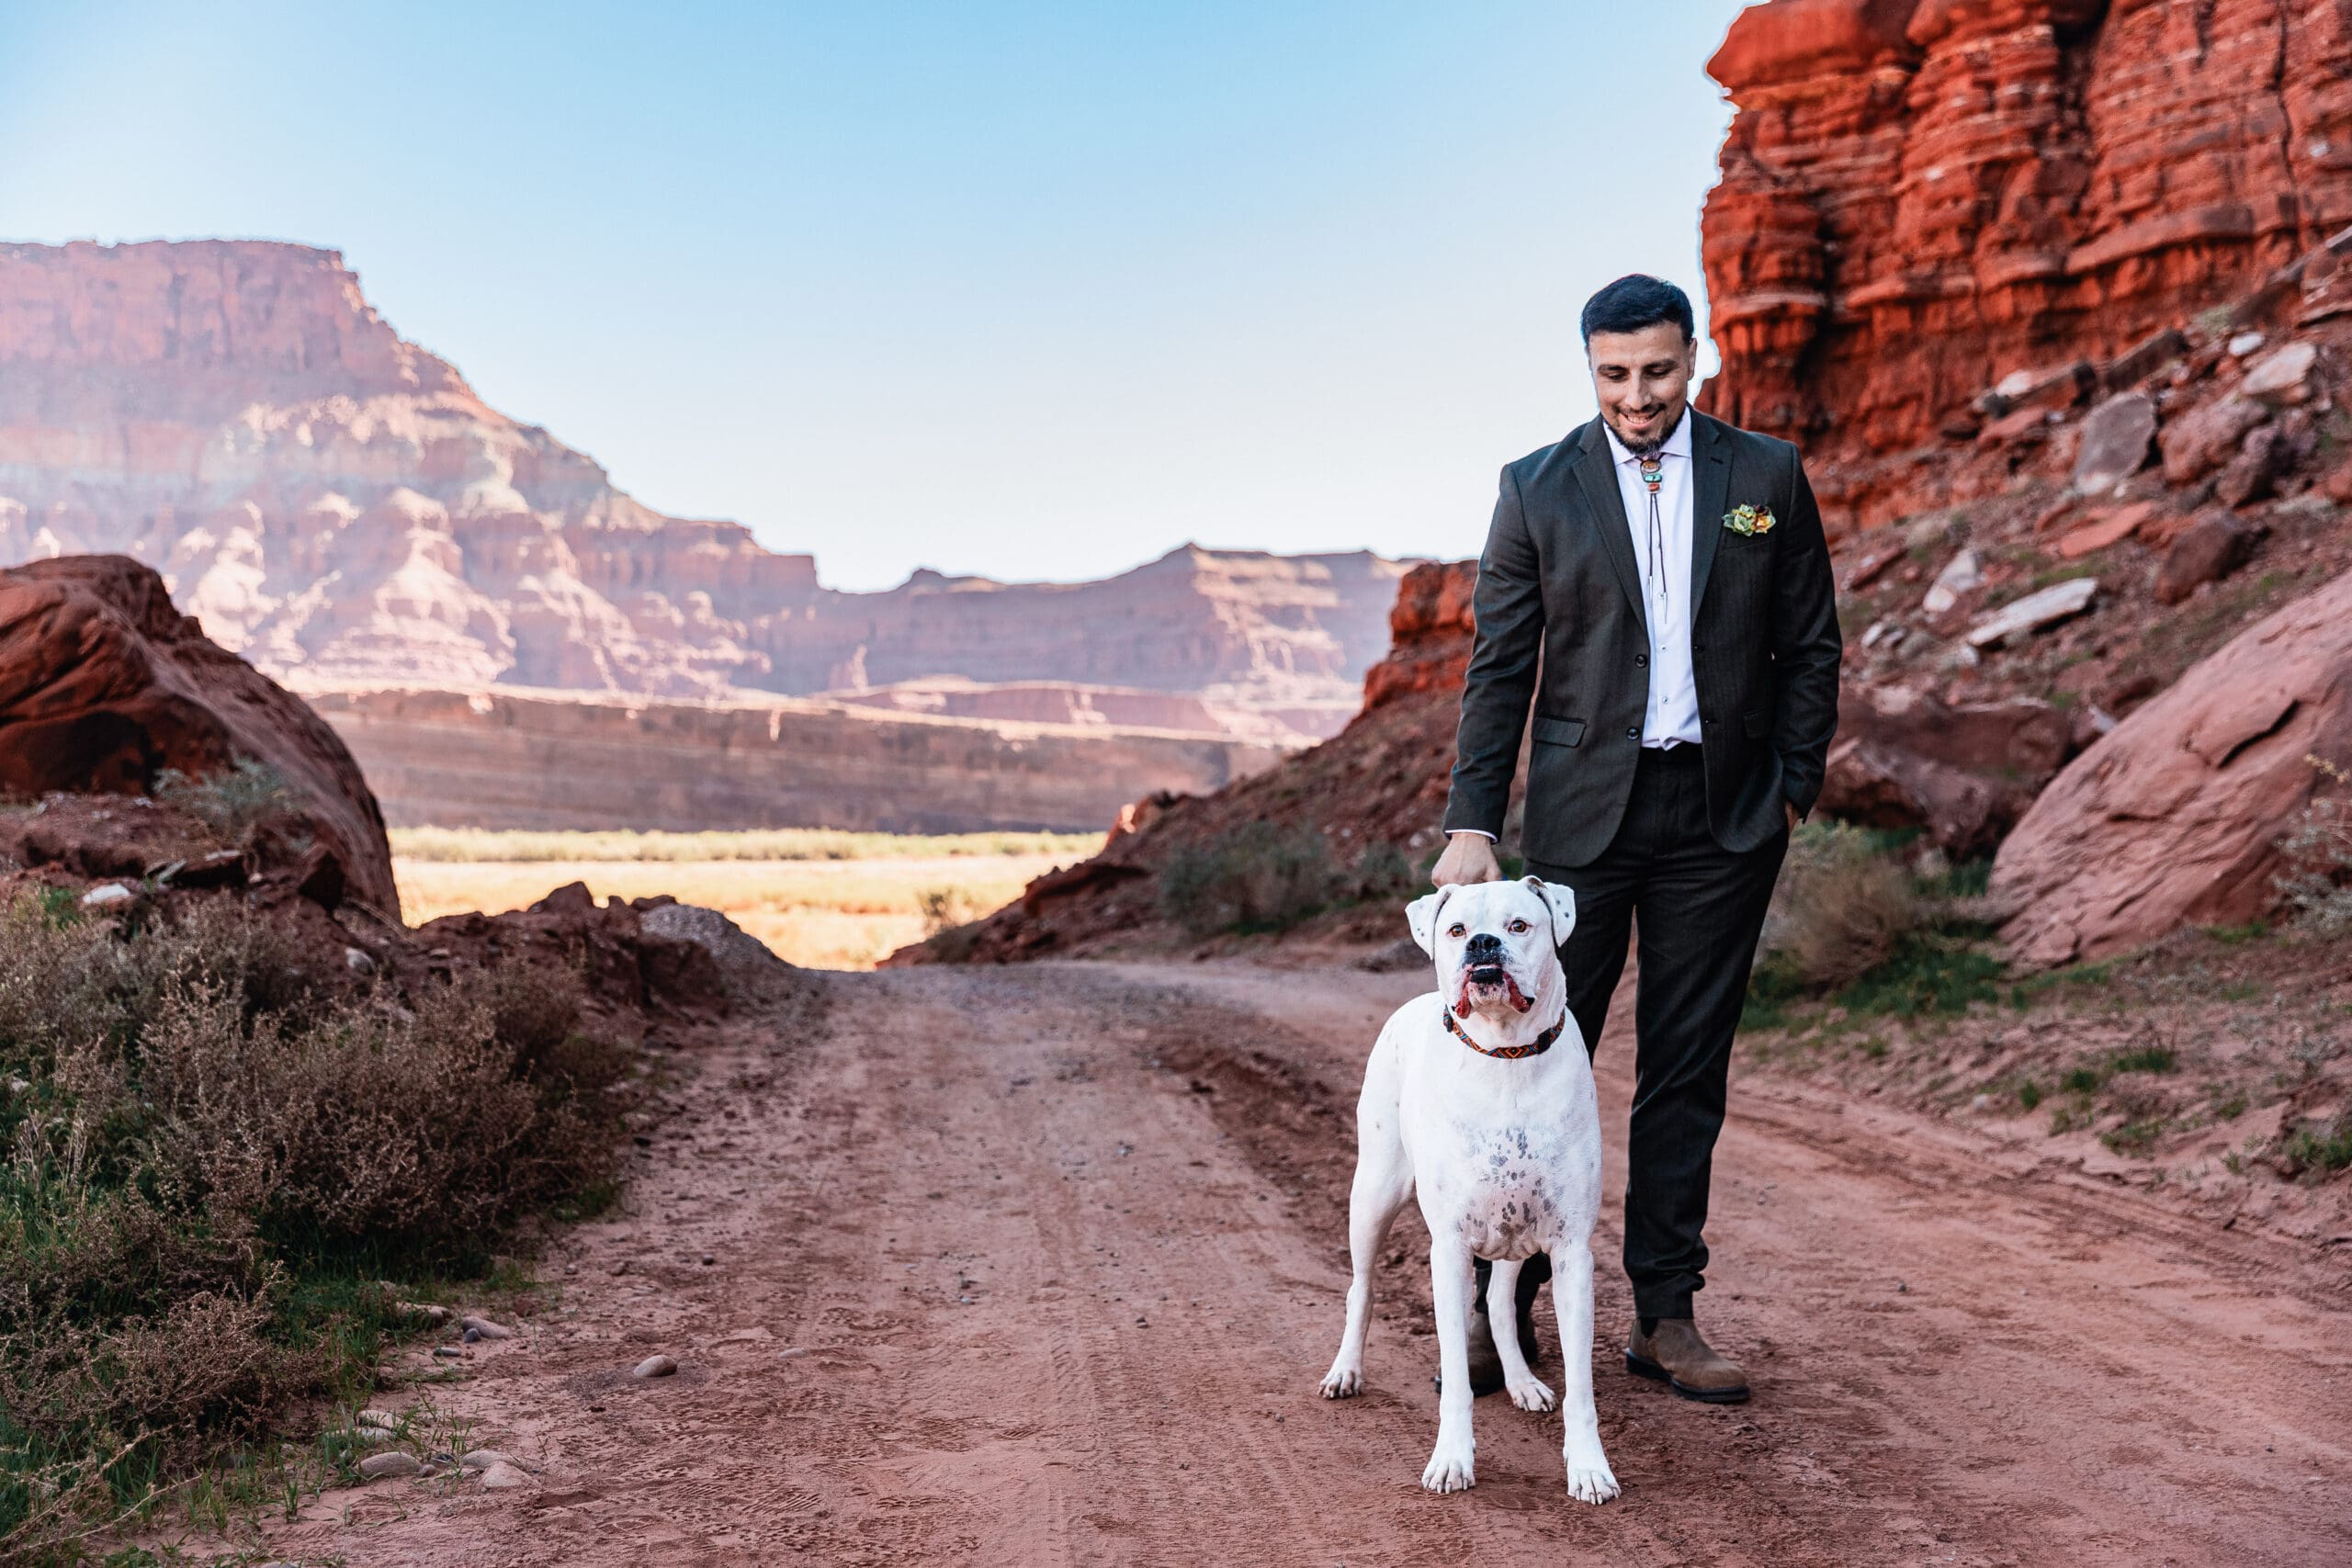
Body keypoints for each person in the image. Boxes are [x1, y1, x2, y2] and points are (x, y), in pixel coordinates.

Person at [1431, 273, 1839, 1404]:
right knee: (1529, 1056)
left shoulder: (1764, 475)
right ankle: (1495, 1317)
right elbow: (1499, 665)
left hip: (1724, 819)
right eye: (1613, 374)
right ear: (1590, 369)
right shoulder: (1536, 488)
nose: (1636, 395)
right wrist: (1474, 817)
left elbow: (1811, 644)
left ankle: (1665, 1316)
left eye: (1657, 371)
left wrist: (1791, 790)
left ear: (1692, 359)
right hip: (1580, 824)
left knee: (1685, 1069)